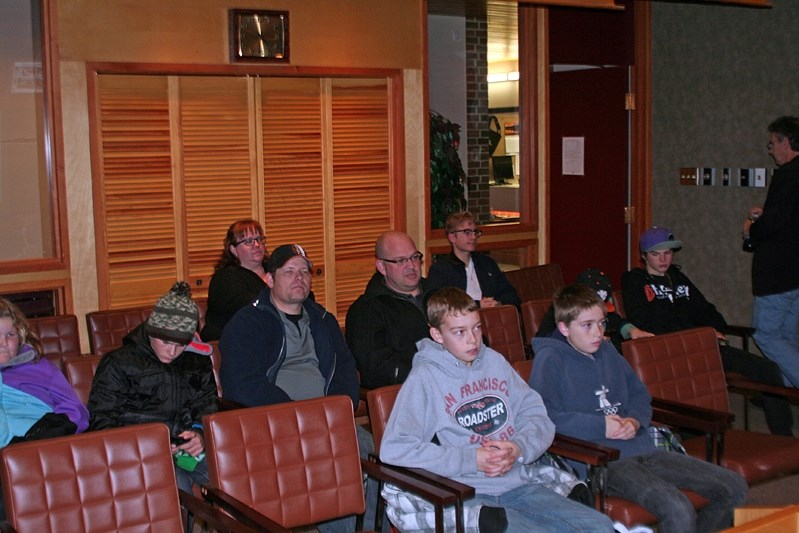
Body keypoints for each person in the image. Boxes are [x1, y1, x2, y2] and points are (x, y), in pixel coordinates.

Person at [379, 287, 614, 532]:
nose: (472, 339)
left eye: (477, 327)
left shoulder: (494, 361)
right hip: (468, 492)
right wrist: (472, 459)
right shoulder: (425, 378)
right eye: (459, 332)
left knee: (600, 525)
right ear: (437, 335)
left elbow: (536, 415)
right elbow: (396, 449)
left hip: (517, 483)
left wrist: (519, 447)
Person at [530, 284, 748, 533]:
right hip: (603, 461)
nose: (597, 333)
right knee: (677, 507)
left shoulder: (608, 350)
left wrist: (634, 420)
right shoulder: (550, 360)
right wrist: (602, 426)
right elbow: (546, 418)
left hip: (644, 447)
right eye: (587, 325)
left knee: (734, 487)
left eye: (601, 323)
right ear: (564, 328)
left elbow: (639, 395)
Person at [220, 244, 363, 533]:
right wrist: (296, 415)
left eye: (304, 272)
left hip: (328, 418)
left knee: (375, 454)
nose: (299, 278)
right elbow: (242, 384)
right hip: (275, 424)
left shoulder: (323, 320)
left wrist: (337, 409)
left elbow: (346, 368)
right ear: (269, 279)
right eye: (289, 272)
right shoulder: (248, 322)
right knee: (336, 462)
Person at [621, 226, 794, 436]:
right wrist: (696, 334)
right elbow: (645, 320)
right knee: (695, 384)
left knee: (767, 369)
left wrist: (716, 329)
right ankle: (697, 440)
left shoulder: (678, 278)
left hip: (705, 346)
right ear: (644, 256)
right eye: (656, 254)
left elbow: (707, 310)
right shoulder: (634, 281)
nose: (663, 259)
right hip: (670, 351)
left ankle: (784, 436)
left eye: (668, 253)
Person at [88, 282, 217, 493]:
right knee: (177, 488)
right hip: (138, 452)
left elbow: (207, 404)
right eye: (165, 342)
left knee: (228, 480)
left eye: (181, 345)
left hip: (184, 450)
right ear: (151, 332)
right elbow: (101, 419)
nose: (172, 351)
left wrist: (199, 434)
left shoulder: (196, 361)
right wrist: (149, 443)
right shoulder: (119, 363)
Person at [742, 116, 799, 388]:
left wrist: (751, 229)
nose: (770, 149)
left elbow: (774, 225)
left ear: (785, 142)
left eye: (772, 143)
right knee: (786, 338)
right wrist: (765, 217)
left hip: (779, 274)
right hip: (796, 275)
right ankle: (783, 405)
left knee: (766, 335)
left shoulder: (788, 175)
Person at [346, 231, 435, 389]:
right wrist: (429, 372)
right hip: (404, 393)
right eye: (400, 260)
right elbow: (375, 368)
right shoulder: (366, 310)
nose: (411, 266)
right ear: (382, 266)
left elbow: (473, 336)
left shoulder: (441, 294)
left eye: (415, 257)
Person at [0, 298, 88, 447]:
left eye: (10, 335)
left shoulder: (39, 368)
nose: (3, 343)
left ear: (21, 336)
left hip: (38, 447)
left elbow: (76, 413)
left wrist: (44, 436)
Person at [536, 268, 653, 350]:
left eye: (601, 321)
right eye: (588, 324)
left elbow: (615, 321)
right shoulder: (559, 311)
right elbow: (543, 341)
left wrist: (631, 330)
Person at [427, 211, 521, 308]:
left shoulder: (487, 264)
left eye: (475, 232)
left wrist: (499, 304)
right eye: (467, 232)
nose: (473, 237)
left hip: (492, 317)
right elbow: (438, 305)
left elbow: (511, 296)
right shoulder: (440, 269)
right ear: (452, 237)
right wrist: (477, 305)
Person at [200, 219, 269, 341]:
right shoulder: (225, 278)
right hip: (236, 342)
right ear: (233, 249)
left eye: (259, 239)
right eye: (248, 241)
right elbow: (249, 308)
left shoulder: (275, 269)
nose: (257, 245)